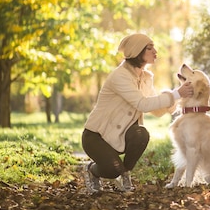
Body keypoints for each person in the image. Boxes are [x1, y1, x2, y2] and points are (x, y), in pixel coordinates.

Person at [81, 33, 193, 194]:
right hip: (97, 136)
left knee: (141, 134)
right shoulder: (120, 76)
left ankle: (125, 172)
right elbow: (143, 104)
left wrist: (174, 101)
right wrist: (176, 94)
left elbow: (154, 108)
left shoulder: (145, 77)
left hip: (122, 135)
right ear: (136, 51)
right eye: (149, 48)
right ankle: (92, 170)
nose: (155, 51)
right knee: (112, 171)